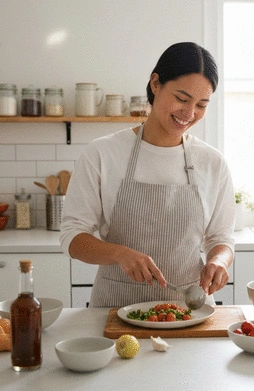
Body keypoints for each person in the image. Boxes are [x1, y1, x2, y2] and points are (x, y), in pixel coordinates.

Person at [60, 42, 235, 307]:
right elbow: (72, 237)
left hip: (189, 310)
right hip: (115, 308)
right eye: (182, 99)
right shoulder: (102, 153)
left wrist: (218, 261)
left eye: (201, 104)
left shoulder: (213, 163)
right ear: (156, 84)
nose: (189, 114)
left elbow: (221, 239)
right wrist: (119, 254)